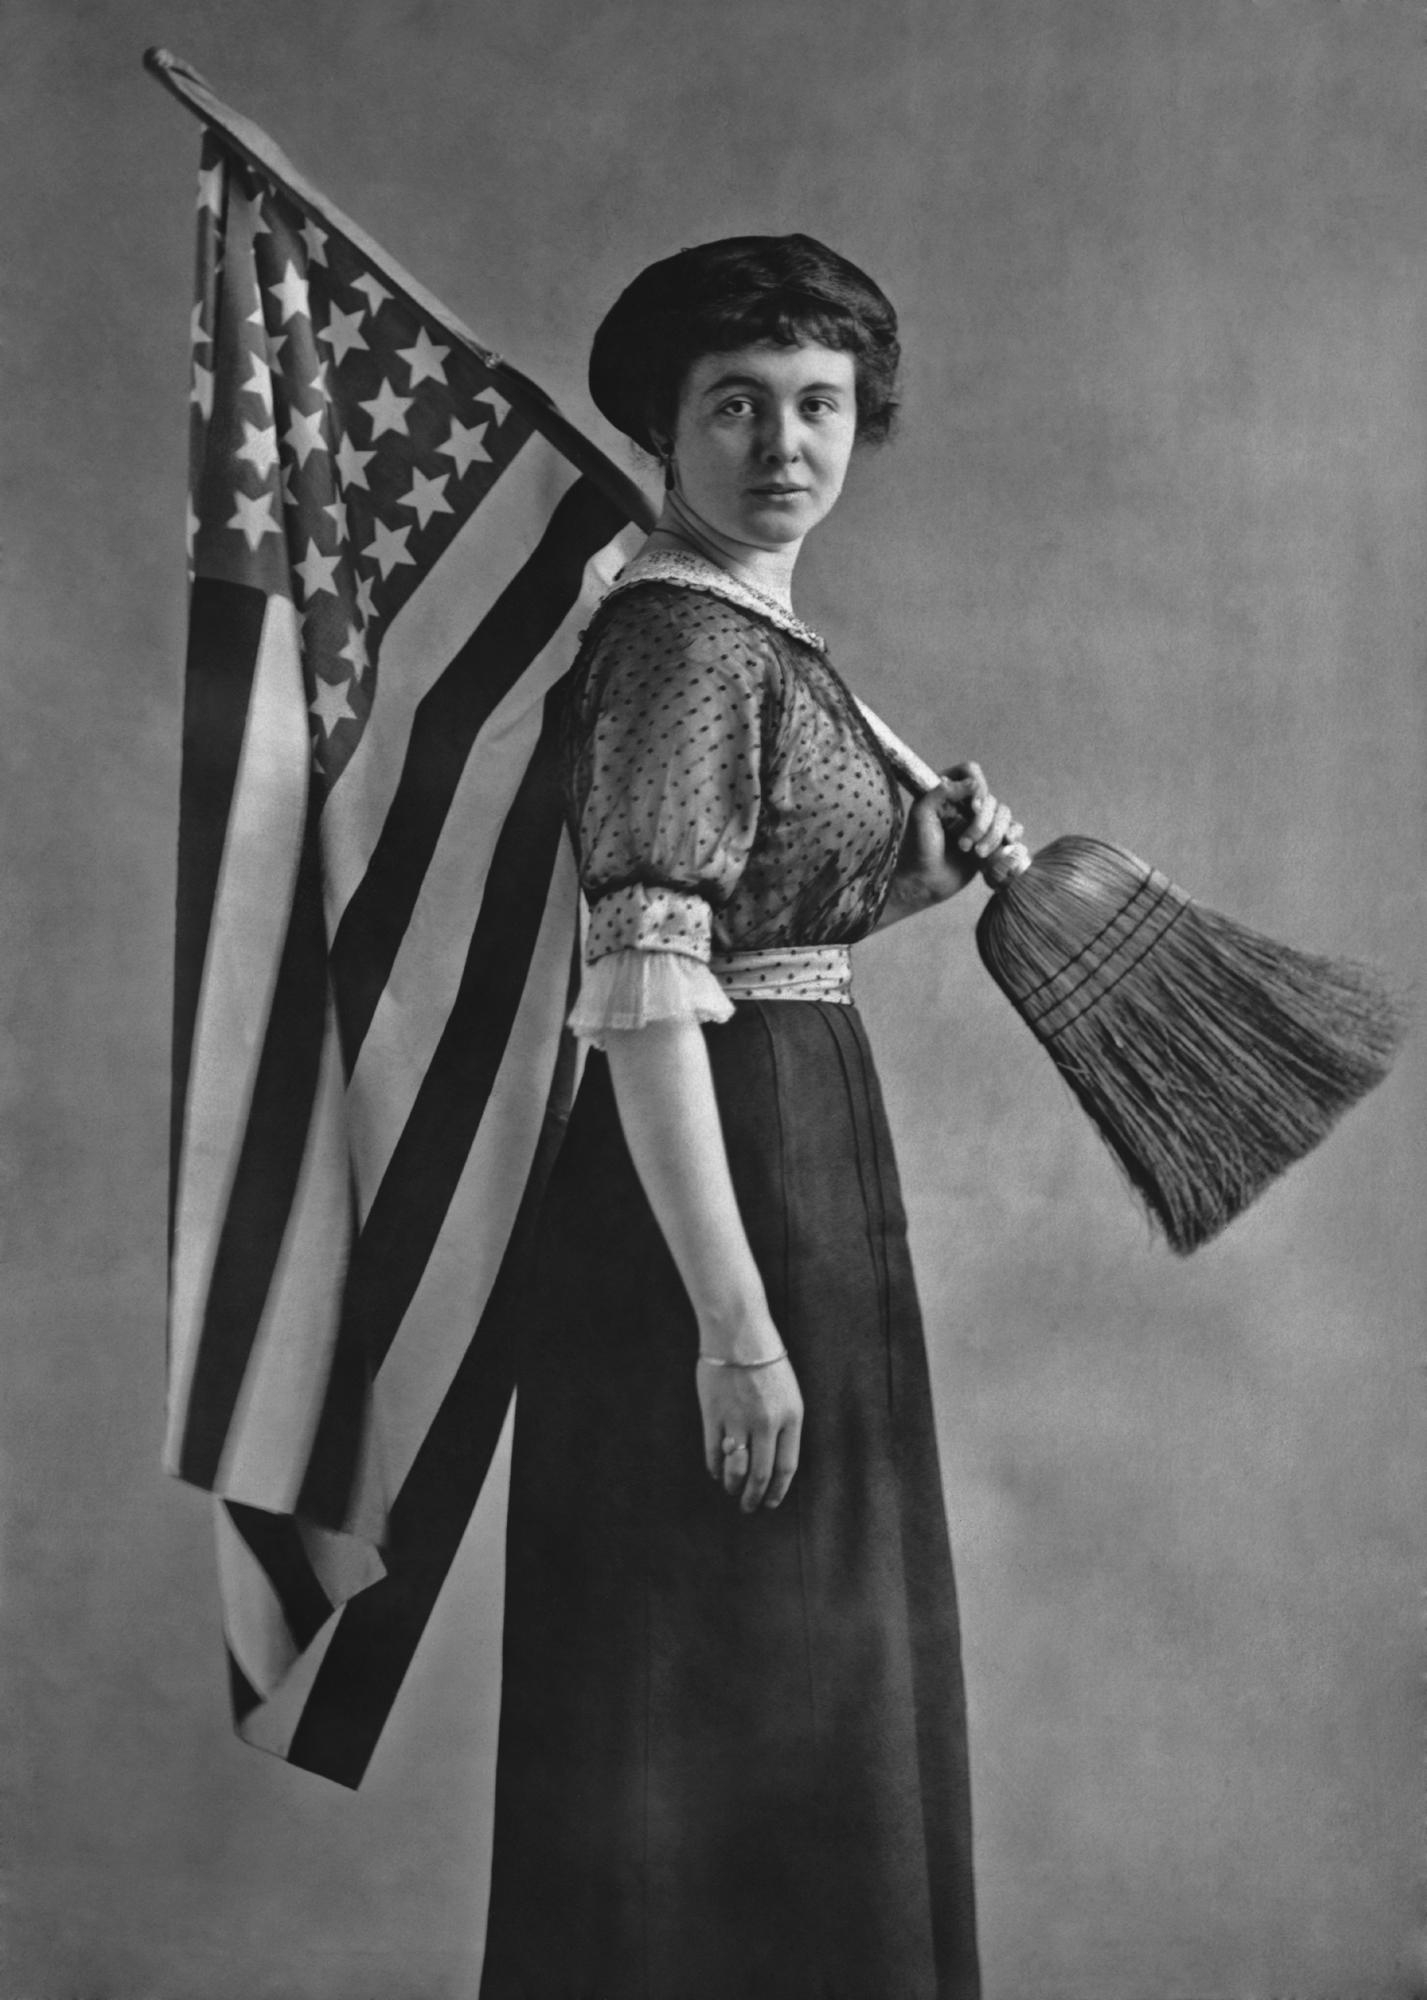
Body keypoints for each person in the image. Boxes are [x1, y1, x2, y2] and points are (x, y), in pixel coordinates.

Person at [478, 235, 1025, 2000]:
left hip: (802, 1146)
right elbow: (644, 1000)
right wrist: (731, 1325)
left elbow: (757, 926)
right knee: (713, 1688)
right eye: (736, 405)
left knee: (810, 1690)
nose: (783, 445)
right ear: (662, 427)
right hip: (715, 1198)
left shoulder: (749, 626)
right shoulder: (680, 635)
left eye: (820, 405)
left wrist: (911, 877)